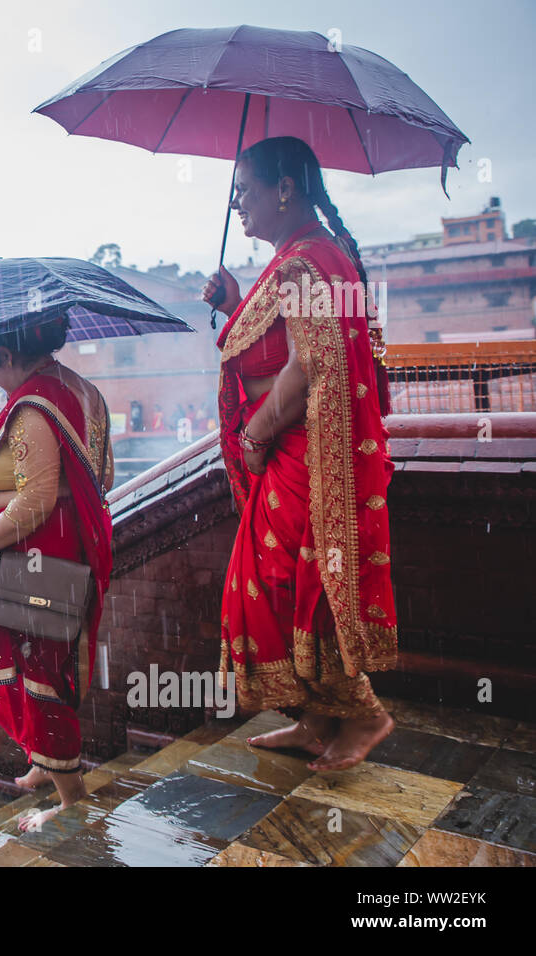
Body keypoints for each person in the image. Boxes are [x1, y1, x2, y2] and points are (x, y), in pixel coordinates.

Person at [201, 135, 397, 771]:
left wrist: (255, 433)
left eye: (244, 190)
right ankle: (315, 722)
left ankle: (364, 714)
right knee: (268, 586)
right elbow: (284, 343)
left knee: (291, 588)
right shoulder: (304, 257)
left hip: (304, 458)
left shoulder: (309, 262)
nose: (237, 205)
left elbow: (310, 363)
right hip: (290, 456)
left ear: (284, 188)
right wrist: (234, 306)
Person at [0, 316, 114, 831]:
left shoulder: (33, 405)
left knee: (37, 670)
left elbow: (36, 500)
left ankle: (73, 801)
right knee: (46, 660)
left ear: (5, 352)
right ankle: (43, 762)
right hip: (66, 552)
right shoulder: (82, 389)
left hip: (38, 558)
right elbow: (100, 476)